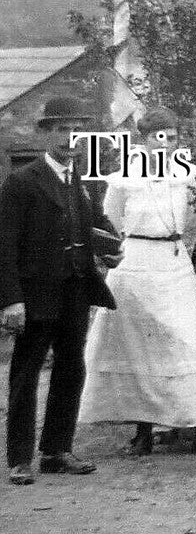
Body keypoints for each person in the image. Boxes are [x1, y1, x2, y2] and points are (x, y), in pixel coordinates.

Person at [77, 108, 196, 457]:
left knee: (189, 342)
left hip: (173, 263)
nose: (165, 144)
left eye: (172, 137)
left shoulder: (184, 175)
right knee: (140, 348)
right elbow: (113, 216)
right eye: (157, 137)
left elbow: (192, 219)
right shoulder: (125, 178)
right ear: (144, 140)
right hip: (136, 264)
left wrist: (179, 245)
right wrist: (138, 242)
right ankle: (143, 433)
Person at [1, 96, 122, 485]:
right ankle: (20, 459)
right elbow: (4, 247)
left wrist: (111, 250)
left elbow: (95, 229)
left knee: (72, 368)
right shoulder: (22, 182)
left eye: (76, 131)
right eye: (61, 129)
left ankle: (56, 451)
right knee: (27, 372)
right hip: (36, 296)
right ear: (46, 133)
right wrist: (11, 300)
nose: (70, 138)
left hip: (75, 291)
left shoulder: (78, 182)